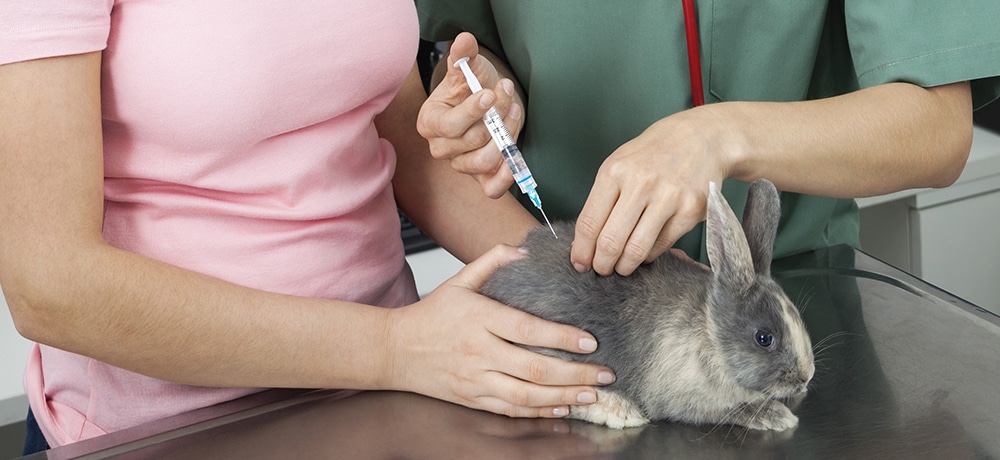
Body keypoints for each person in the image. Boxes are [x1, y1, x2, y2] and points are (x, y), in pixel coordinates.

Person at [0, 1, 617, 453]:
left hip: (387, 406)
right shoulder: (397, 350)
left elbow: (395, 124)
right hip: (171, 431)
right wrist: (393, 347)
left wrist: (592, 286)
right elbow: (51, 285)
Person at [415, 1, 1000, 276]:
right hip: (564, 284)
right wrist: (480, 95)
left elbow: (937, 127)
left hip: (793, 296)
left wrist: (720, 137)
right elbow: (462, 46)